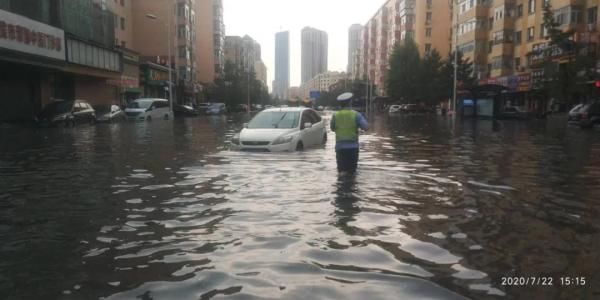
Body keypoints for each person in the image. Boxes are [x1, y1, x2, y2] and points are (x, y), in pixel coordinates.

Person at [330, 92, 369, 173]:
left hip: (340, 148)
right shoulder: (356, 114)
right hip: (353, 148)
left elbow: (332, 128)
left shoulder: (335, 115)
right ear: (350, 102)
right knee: (352, 172)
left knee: (341, 172)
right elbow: (366, 127)